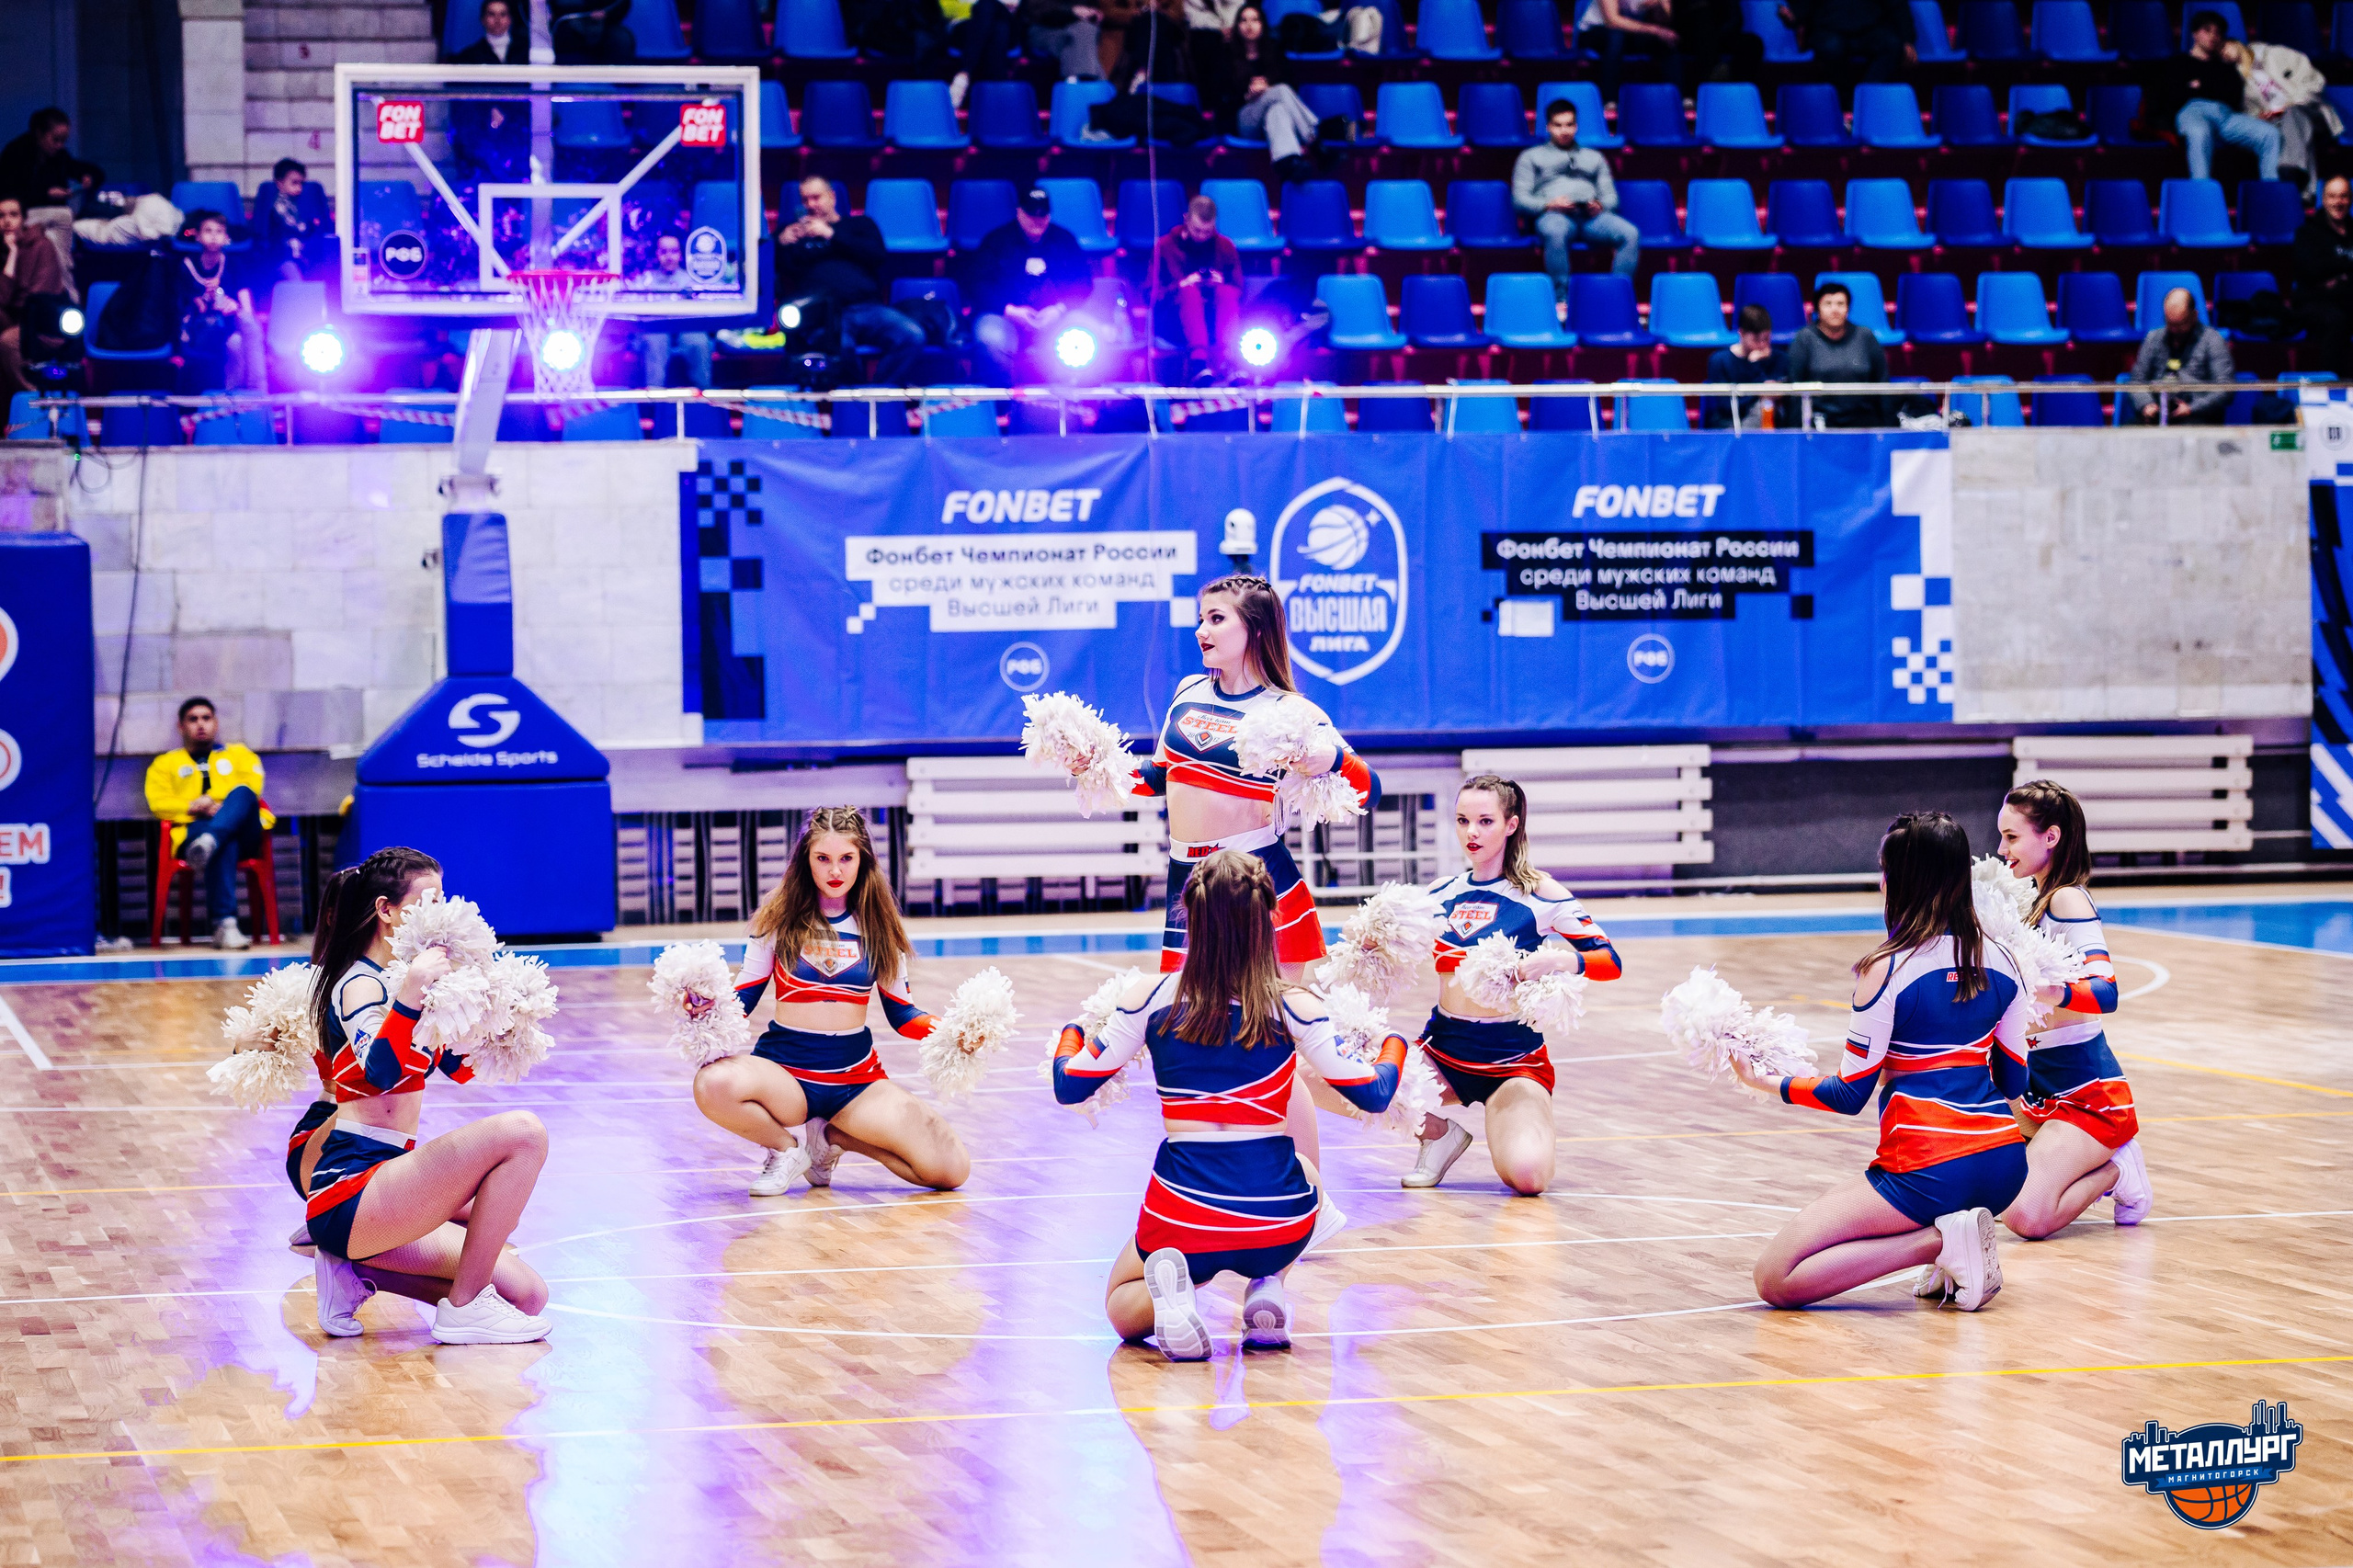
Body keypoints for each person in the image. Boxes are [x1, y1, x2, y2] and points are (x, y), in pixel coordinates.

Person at [1051, 851, 1405, 1359]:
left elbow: (1070, 1086)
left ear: (1189, 918)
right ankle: (1267, 1285)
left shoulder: (1148, 998)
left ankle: (1180, 1293)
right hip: (1273, 1217)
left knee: (1121, 1306)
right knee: (1306, 1170)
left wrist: (1072, 1034)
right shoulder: (1294, 1004)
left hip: (1183, 1211)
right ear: (1270, 919)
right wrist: (1393, 1046)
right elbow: (1374, 1093)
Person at [1114, 574, 1380, 1182]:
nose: (1201, 630)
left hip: (1258, 888)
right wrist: (1098, 768)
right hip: (1190, 890)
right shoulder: (1187, 692)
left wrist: (1332, 759)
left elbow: (1368, 789)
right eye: (1200, 618)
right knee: (1204, 1041)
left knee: (1272, 1048)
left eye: (1217, 619)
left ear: (1254, 630)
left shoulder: (1292, 712)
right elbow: (1160, 778)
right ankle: (1230, 1186)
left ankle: (1310, 1194)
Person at [1726, 812, 2035, 1312]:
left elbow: (1849, 1095)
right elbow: (2014, 1080)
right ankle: (1955, 1232)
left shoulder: (1886, 969)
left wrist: (1769, 1081)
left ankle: (1942, 1242)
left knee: (1776, 1278)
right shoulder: (2006, 963)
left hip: (1927, 1170)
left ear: (1902, 881)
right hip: (2006, 1168)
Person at [305, 847, 553, 1343]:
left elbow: (460, 1071)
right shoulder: (359, 983)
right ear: (386, 910)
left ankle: (354, 1272)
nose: (440, 912)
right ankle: (464, 1309)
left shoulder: (407, 983)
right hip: (351, 1189)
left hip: (389, 1186)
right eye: (428, 901)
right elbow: (380, 1072)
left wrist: (502, 1016)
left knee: (528, 1297)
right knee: (524, 1134)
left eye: (443, 899)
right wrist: (412, 992)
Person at [691, 808, 972, 1197]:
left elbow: (903, 1014)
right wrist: (706, 1005)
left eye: (846, 858)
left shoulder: (880, 927)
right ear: (806, 860)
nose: (835, 870)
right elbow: (744, 998)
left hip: (856, 1080)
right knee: (711, 1084)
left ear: (863, 860)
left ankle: (831, 1139)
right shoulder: (777, 919)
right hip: (786, 1076)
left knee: (951, 1169)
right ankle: (786, 1150)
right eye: (823, 858)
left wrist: (951, 1031)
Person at [1396, 776, 1622, 1196]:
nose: (1472, 832)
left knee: (1529, 1177)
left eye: (1485, 821)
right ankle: (1437, 1135)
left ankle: (1513, 1119)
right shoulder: (1439, 893)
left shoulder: (1541, 893)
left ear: (1511, 825)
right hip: (1442, 1054)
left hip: (1512, 1061)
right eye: (1463, 820)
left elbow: (1610, 961)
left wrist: (1557, 960)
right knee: (1333, 1074)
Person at [1994, 780, 2154, 1240]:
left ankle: (2119, 1167)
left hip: (2085, 1092)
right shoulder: (2030, 900)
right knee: (1983, 1192)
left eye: (2011, 837)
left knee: (2025, 1217)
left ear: (2051, 837)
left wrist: (2041, 987)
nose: (2002, 850)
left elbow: (2106, 991)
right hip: (2034, 1087)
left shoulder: (2068, 898)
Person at [144, 697, 275, 950]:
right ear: (181, 726)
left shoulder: (239, 755)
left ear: (216, 723)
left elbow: (253, 786)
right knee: (224, 843)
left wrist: (213, 800)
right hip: (194, 834)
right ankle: (226, 925)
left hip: (246, 834)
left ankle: (212, 839)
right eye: (193, 719)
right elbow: (158, 803)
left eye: (206, 718)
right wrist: (192, 806)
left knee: (243, 792)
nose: (201, 724)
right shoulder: (164, 764)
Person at [775, 176, 926, 384]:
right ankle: (855, 399)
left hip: (869, 308)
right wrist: (779, 243)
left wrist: (831, 234)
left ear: (832, 197)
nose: (810, 205)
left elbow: (877, 255)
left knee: (912, 335)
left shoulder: (860, 225)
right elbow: (774, 270)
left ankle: (877, 394)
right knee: (839, 348)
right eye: (805, 200)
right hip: (825, 316)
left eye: (816, 198)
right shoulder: (794, 235)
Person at [1513, 98, 1640, 303]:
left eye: (1569, 125)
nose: (1564, 131)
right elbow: (1520, 200)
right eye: (1558, 125)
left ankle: (1617, 297)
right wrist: (1549, 204)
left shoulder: (1594, 157)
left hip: (1591, 218)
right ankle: (1562, 299)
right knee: (1555, 231)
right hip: (1554, 215)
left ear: (1576, 126)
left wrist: (1600, 205)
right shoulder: (1530, 157)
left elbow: (1611, 198)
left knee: (1630, 233)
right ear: (1548, 127)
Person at [970, 186, 1094, 383]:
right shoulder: (996, 241)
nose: (1037, 219)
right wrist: (1010, 310)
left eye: (1042, 214)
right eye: (1031, 214)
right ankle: (1002, 400)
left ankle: (1064, 397)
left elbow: (1084, 284)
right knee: (990, 340)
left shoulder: (1065, 240)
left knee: (1082, 333)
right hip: (1003, 315)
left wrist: (1059, 309)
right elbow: (977, 285)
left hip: (1055, 317)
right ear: (1019, 211)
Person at [2165, 12, 2282, 183]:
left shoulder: (2225, 66)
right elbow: (2174, 95)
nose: (2213, 36)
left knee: (2270, 134)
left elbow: (2232, 96)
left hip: (2225, 115)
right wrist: (2210, 88)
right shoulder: (2178, 62)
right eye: (2207, 30)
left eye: (2217, 32)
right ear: (2195, 34)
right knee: (2200, 133)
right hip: (2193, 112)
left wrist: (2200, 85)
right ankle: (2203, 193)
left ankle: (2272, 191)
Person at [2222, 36, 2338, 200]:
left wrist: (2292, 103)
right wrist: (2263, 116)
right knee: (2287, 130)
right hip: (2279, 121)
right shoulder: (2241, 80)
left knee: (2293, 115)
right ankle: (2305, 191)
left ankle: (2289, 175)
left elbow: (2315, 81)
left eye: (2224, 47)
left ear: (2236, 43)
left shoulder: (2275, 54)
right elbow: (2250, 112)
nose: (2223, 53)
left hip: (2310, 111)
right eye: (2219, 53)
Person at [1218, 5, 1324, 183]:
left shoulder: (1275, 52)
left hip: (1273, 123)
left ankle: (1289, 162)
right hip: (1244, 120)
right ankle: (1314, 140)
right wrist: (1248, 96)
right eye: (1243, 20)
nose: (1249, 25)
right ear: (1237, 25)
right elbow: (1220, 100)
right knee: (1280, 91)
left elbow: (1293, 87)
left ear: (1263, 24)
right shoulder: (1226, 56)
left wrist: (1267, 89)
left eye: (1255, 20)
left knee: (1278, 109)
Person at [1153, 195, 1243, 381]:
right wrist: (1181, 285)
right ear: (1186, 219)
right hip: (1175, 321)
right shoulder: (1165, 246)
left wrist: (1220, 282)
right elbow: (1151, 294)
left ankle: (1228, 359)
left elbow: (1238, 289)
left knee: (1226, 292)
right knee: (1189, 292)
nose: (1202, 237)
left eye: (1207, 232)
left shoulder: (1225, 246)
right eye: (1197, 230)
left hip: (1214, 318)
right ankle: (1198, 364)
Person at [176, 210, 266, 394]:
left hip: (229, 328)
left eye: (219, 232)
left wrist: (235, 307)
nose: (214, 236)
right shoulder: (187, 266)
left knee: (238, 341)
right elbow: (187, 308)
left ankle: (242, 394)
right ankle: (258, 391)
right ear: (198, 236)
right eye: (208, 231)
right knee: (241, 333)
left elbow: (246, 307)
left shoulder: (233, 264)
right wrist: (205, 299)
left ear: (226, 238)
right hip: (200, 331)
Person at [1786, 278, 1887, 428]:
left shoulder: (1865, 336)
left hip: (1863, 421)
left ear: (1848, 308)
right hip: (1819, 423)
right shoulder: (1804, 339)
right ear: (1817, 309)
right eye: (1828, 304)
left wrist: (1888, 428)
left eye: (1840, 304)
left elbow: (1882, 382)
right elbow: (1794, 389)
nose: (1835, 310)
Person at [2128, 287, 2234, 424]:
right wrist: (2146, 405)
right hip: (2157, 413)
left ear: (2194, 316)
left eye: (2180, 325)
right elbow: (2137, 381)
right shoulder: (2153, 338)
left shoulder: (2213, 341)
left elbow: (2225, 389)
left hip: (2197, 417)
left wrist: (2191, 408)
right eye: (2170, 324)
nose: (2174, 330)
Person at [0, 194, 71, 395]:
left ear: (23, 219)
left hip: (43, 323)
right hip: (16, 318)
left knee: (8, 341)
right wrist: (12, 255)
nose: (7, 221)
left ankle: (34, 398)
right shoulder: (4, 250)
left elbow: (40, 298)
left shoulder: (41, 245)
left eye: (13, 215)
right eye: (1, 216)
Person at [632, 233, 714, 390]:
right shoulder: (645, 281)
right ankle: (654, 395)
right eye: (664, 252)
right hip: (656, 328)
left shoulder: (692, 281)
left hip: (687, 328)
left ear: (680, 254)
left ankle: (703, 394)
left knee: (699, 341)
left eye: (674, 251)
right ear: (656, 254)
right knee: (654, 341)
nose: (669, 257)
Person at [2294, 176, 2353, 380]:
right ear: (2324, 200)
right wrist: (2345, 268)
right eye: (2333, 196)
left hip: (2347, 299)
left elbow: (2324, 268)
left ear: (2350, 199)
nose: (2338, 202)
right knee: (2336, 321)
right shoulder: (2308, 232)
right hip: (2315, 302)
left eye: (2343, 196)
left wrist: (2336, 274)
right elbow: (2311, 270)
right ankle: (2332, 384)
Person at [1700, 303, 1789, 430]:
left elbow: (1775, 396)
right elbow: (1726, 407)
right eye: (1756, 339)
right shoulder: (1719, 361)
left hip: (1767, 423)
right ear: (1741, 333)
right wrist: (1759, 392)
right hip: (1728, 423)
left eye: (1766, 338)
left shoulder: (1779, 359)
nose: (1762, 344)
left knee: (1764, 406)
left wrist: (1754, 364)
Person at [1778, 0, 1913, 83]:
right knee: (1830, 48)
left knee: (1892, 45)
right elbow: (1803, 6)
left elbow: (1898, 5)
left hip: (1870, 29)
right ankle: (1844, 102)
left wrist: (1907, 39)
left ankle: (1866, 93)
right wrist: (1793, 17)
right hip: (1829, 30)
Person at [0, 108, 100, 216]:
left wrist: (88, 176)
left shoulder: (60, 156)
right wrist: (45, 194)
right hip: (22, 217)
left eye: (63, 140)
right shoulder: (16, 153)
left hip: (54, 216)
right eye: (56, 139)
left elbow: (91, 171)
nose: (60, 145)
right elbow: (10, 192)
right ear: (39, 133)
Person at [1577, 0, 1678, 104]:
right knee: (1616, 38)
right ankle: (1610, 100)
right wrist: (1656, 30)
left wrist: (1662, 3)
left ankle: (1677, 98)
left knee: (1665, 41)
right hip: (1594, 31)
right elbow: (1612, 21)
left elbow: (1664, 20)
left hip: (1629, 33)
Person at [254, 158, 328, 284]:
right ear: (280, 184)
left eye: (301, 184)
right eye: (294, 183)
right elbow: (297, 227)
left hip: (296, 256)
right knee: (296, 284)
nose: (299, 188)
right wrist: (312, 224)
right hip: (283, 257)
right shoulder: (279, 205)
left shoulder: (293, 204)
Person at [1019, 0, 1108, 78]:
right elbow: (1037, 10)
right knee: (1080, 37)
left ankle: (1079, 83)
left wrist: (1093, 13)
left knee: (1084, 31)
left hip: (1077, 30)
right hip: (1044, 29)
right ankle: (1081, 83)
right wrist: (1072, 11)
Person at [550, 0, 637, 62]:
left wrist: (606, 13)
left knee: (622, 39)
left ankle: (621, 79)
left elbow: (621, 5)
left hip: (604, 25)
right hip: (565, 25)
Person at [449, 0, 521, 61]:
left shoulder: (524, 51)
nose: (497, 20)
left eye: (503, 14)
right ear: (483, 19)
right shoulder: (469, 56)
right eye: (492, 14)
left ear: (510, 19)